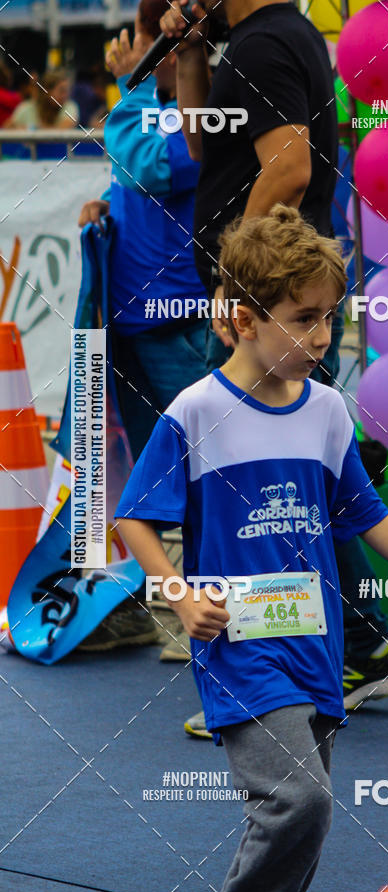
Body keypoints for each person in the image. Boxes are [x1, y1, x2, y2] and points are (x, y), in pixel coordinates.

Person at [114, 204, 388, 892]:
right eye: (303, 317)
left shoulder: (326, 410)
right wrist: (179, 595)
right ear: (246, 320)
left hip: (317, 642)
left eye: (329, 316)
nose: (322, 336)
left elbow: (366, 514)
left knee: (302, 814)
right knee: (298, 800)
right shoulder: (195, 411)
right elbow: (134, 518)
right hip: (239, 647)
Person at [160, 0, 388, 736]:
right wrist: (189, 54)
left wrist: (237, 282)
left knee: (272, 488)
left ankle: (311, 667)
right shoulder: (257, 41)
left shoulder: (267, 43)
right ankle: (350, 651)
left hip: (267, 307)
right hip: (271, 306)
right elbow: (205, 147)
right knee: (292, 483)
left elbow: (291, 167)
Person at [76, 0, 211, 651]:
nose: (128, 50)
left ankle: (216, 614)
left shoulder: (198, 110)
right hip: (134, 322)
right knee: (150, 481)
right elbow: (138, 181)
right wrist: (106, 206)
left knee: (206, 474)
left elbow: (157, 168)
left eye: (139, 39)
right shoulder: (151, 108)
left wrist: (129, 86)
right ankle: (147, 602)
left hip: (175, 323)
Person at [4, 68, 79, 129]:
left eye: (67, 91)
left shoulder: (70, 106)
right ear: (47, 91)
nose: (66, 95)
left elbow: (62, 130)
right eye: (62, 91)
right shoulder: (27, 107)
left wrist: (29, 129)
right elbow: (6, 128)